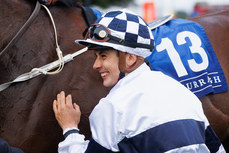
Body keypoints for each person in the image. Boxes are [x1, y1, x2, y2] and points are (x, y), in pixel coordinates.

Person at [52, 10, 226, 153]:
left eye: (103, 56)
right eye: (96, 56)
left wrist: (70, 129)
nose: (96, 65)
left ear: (130, 58)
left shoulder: (111, 108)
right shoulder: (184, 94)